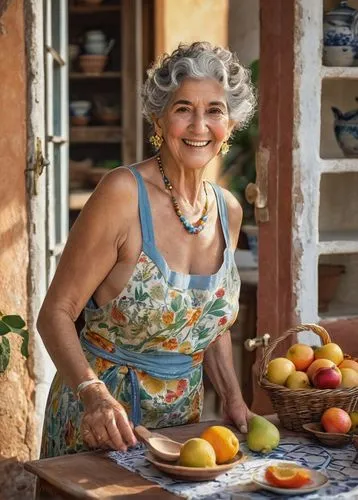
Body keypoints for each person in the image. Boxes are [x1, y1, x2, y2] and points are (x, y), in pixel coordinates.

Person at [38, 41, 256, 458]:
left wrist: (231, 395)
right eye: (183, 109)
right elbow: (55, 313)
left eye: (214, 110)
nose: (199, 126)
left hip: (183, 432)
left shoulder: (228, 211)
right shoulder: (122, 194)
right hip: (102, 424)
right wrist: (93, 395)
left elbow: (207, 323)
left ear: (230, 124)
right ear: (159, 118)